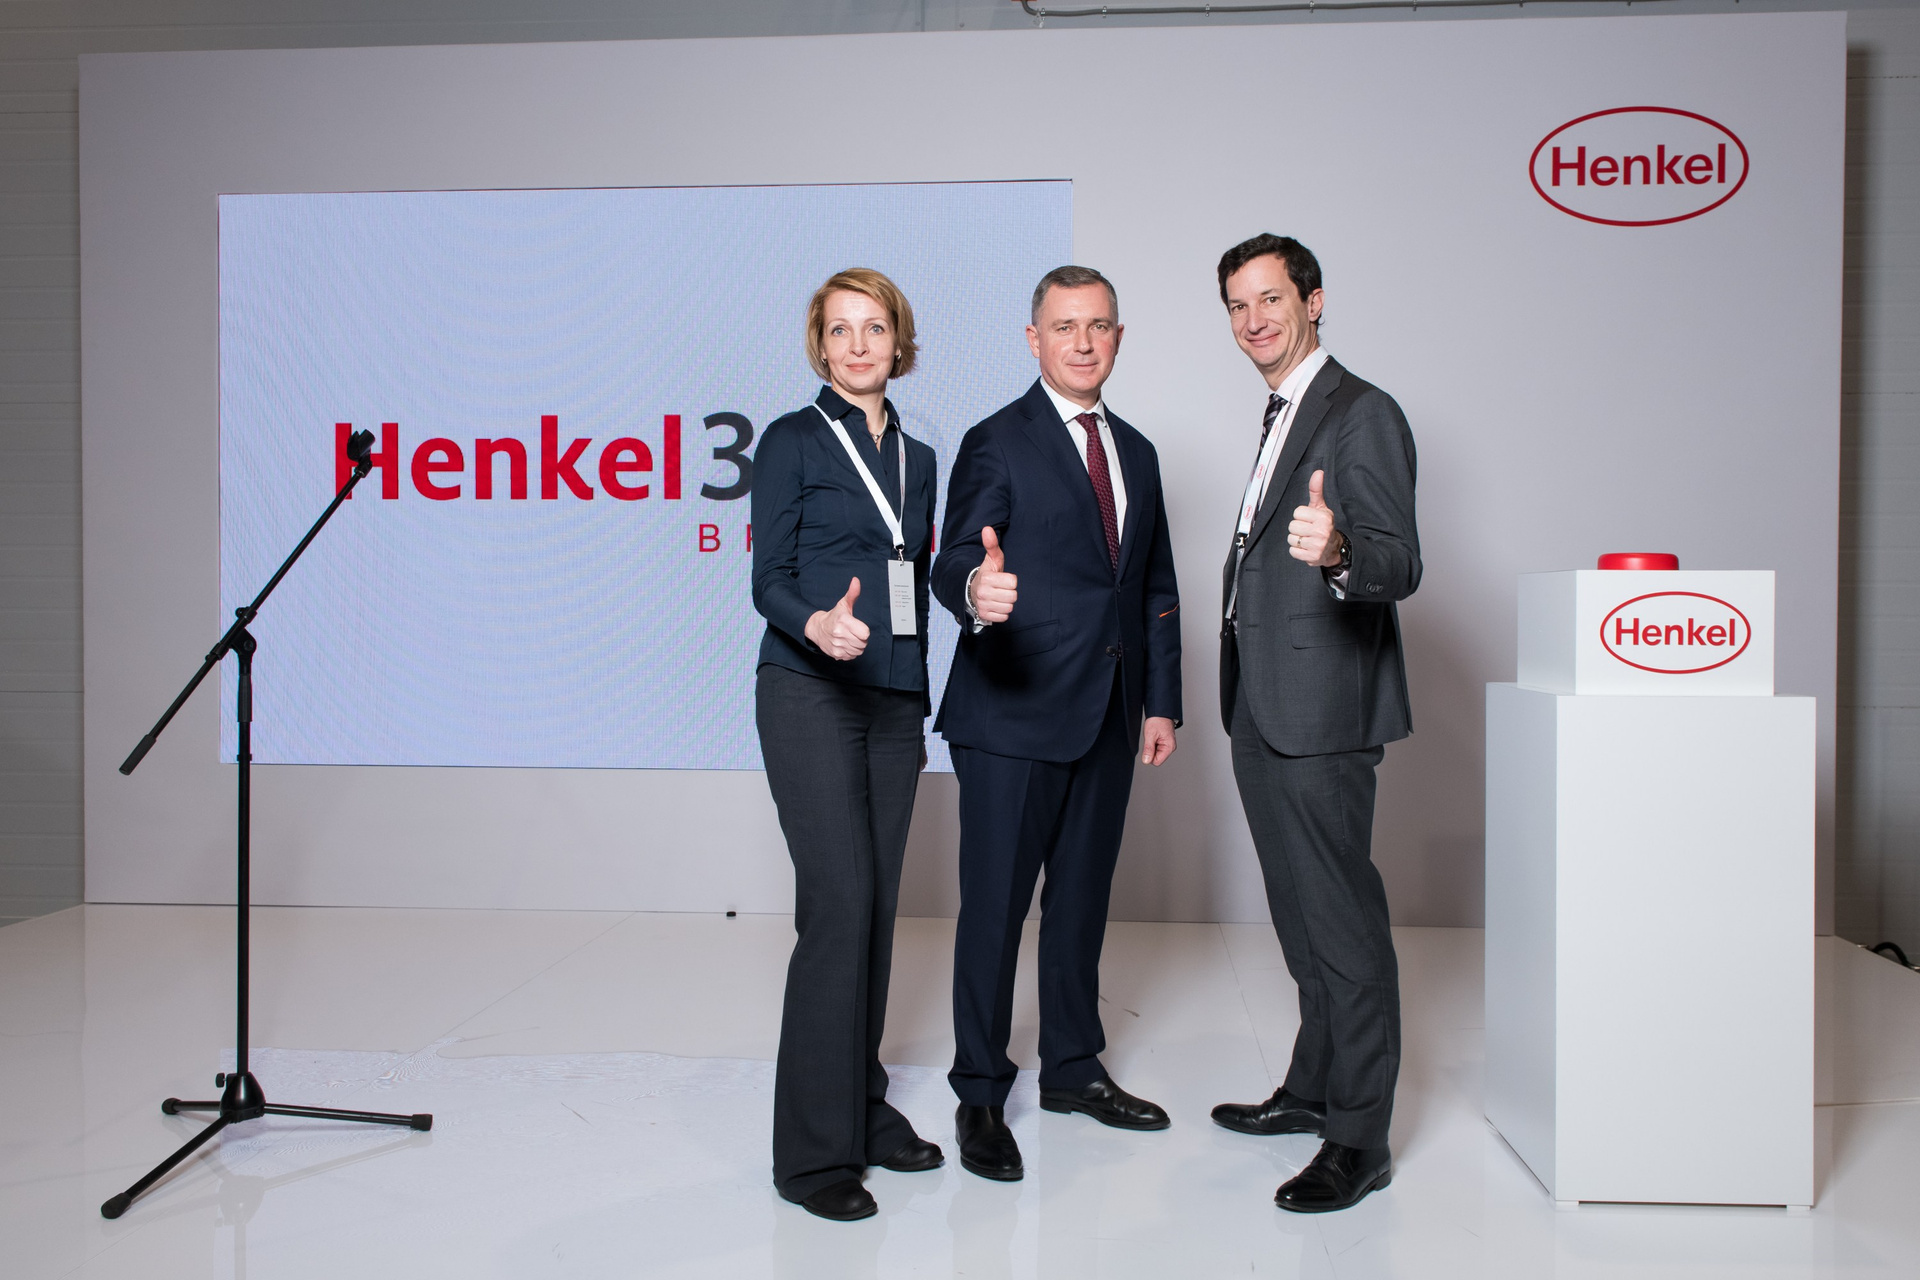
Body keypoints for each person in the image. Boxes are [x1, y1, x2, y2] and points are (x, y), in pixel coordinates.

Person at [930, 265, 1182, 1182]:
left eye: (1099, 325)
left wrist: (1161, 701)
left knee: (1081, 904)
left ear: (1119, 338)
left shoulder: (1139, 453)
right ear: (1033, 339)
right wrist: (975, 589)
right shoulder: (995, 440)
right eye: (1065, 326)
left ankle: (1074, 1069)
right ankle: (979, 1091)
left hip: (1110, 713)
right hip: (1011, 712)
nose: (1083, 341)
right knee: (995, 910)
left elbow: (1153, 585)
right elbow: (957, 555)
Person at [1206, 234, 1421, 1213]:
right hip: (1263, 702)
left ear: (1314, 300)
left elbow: (1397, 560)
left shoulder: (1362, 411)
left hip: (1323, 707)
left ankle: (1359, 1137)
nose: (1254, 319)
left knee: (1341, 924)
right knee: (1298, 917)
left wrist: (1339, 550)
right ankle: (1313, 1085)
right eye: (1237, 304)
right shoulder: (1283, 410)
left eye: (1270, 298)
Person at [750, 268, 943, 1222]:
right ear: (820, 345)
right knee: (838, 908)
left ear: (897, 341)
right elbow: (768, 580)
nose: (858, 344)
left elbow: (914, 574)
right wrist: (815, 624)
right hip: (808, 691)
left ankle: (862, 1108)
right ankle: (811, 1155)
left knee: (875, 908)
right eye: (840, 329)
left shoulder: (920, 455)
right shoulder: (790, 440)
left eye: (874, 327)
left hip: (893, 700)